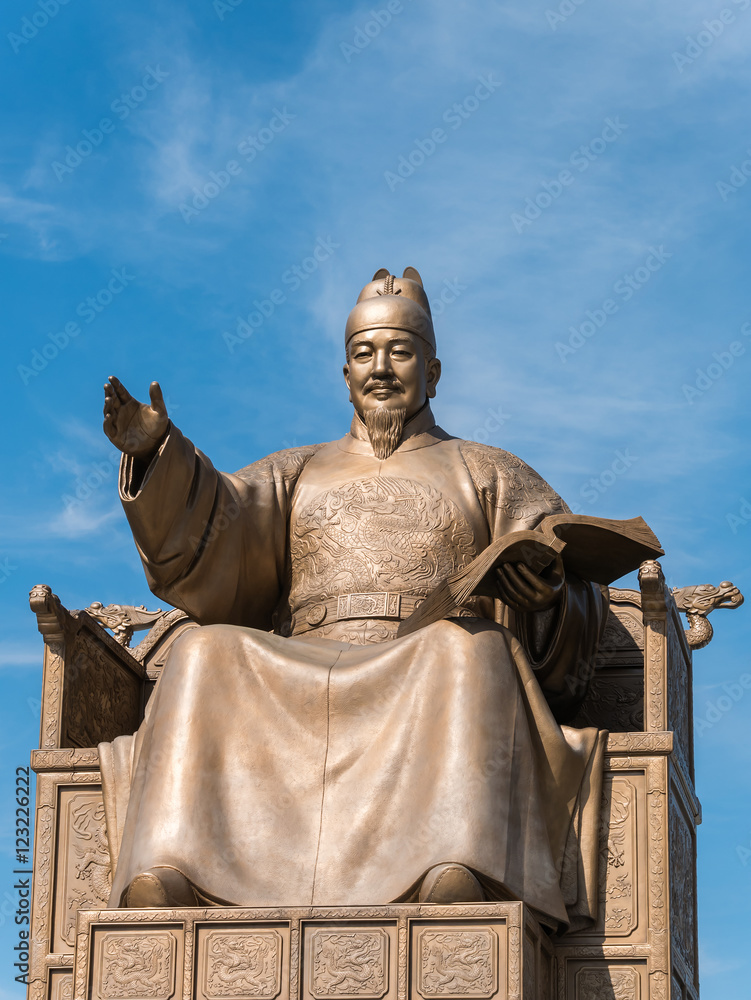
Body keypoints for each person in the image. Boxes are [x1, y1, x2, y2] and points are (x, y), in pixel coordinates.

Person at [99, 267, 608, 932]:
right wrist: (159, 456)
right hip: (301, 662)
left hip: (427, 664)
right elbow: (216, 529)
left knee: (470, 648)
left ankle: (457, 861)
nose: (381, 369)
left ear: (433, 371)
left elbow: (571, 583)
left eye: (399, 352)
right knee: (202, 650)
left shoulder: (489, 471)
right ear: (344, 375)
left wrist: (545, 600)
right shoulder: (295, 471)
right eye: (364, 354)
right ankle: (173, 866)